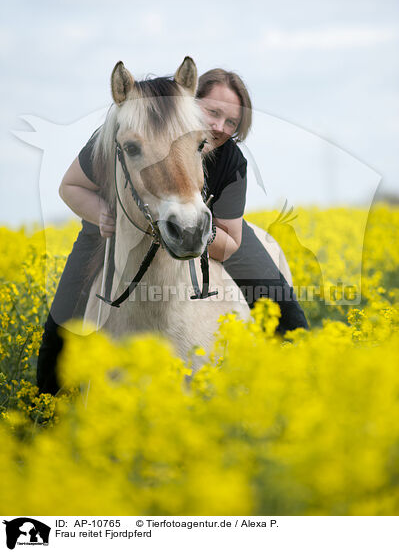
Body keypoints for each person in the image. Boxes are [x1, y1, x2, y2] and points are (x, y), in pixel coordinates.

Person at [37, 67, 308, 395]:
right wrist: (102, 214)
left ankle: (297, 382)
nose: (219, 127)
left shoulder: (230, 159)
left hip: (211, 229)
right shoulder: (139, 132)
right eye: (212, 113)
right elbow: (70, 185)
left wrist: (195, 230)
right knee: (62, 320)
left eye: (231, 122)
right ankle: (47, 408)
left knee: (280, 300)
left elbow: (231, 240)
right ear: (190, 103)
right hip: (108, 229)